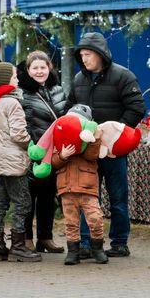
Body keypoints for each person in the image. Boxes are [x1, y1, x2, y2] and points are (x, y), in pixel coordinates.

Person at [68, 32, 146, 258]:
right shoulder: (78, 79)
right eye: (82, 55)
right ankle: (86, 243)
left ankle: (120, 242)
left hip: (113, 151)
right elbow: (70, 108)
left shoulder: (123, 76)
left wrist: (115, 134)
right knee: (87, 197)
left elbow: (137, 108)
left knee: (118, 197)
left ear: (100, 54)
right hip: (87, 151)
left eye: (88, 54)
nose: (84, 59)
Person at [0, 62, 41, 263]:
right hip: (14, 162)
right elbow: (19, 134)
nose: (17, 79)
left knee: (1, 202)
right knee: (23, 202)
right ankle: (18, 246)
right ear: (5, 80)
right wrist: (32, 146)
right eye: (14, 76)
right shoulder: (13, 103)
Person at [18, 51, 67, 253]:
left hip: (53, 152)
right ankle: (27, 238)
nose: (39, 71)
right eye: (35, 68)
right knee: (28, 197)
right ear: (28, 70)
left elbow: (64, 117)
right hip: (32, 150)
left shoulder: (58, 90)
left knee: (47, 196)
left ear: (49, 68)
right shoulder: (22, 93)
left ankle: (45, 238)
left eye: (43, 67)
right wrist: (29, 146)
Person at [51, 108, 108, 265]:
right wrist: (62, 156)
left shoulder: (90, 139)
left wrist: (94, 140)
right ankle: (73, 252)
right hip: (67, 188)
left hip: (87, 187)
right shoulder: (60, 139)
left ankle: (97, 249)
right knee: (71, 222)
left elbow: (92, 156)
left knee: (95, 219)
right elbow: (53, 162)